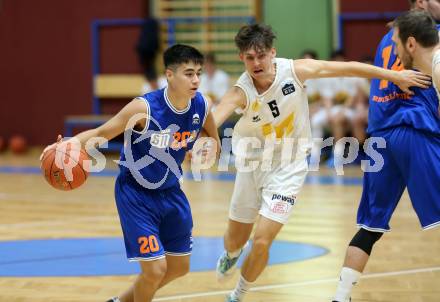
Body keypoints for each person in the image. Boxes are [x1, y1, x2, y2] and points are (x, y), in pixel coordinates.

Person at [211, 23, 430, 302]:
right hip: (253, 164)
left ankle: (238, 294)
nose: (257, 63)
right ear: (242, 58)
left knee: (263, 240)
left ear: (272, 53)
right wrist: (199, 139)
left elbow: (349, 67)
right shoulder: (239, 92)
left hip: (289, 166)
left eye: (262, 55)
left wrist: (393, 75)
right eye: (250, 57)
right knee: (234, 239)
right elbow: (216, 117)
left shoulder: (296, 70)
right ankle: (231, 254)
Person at [41, 44, 220, 302]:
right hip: (136, 195)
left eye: (198, 73)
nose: (195, 80)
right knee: (154, 270)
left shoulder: (201, 105)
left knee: (179, 268)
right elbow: (101, 133)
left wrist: (209, 146)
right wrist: (65, 146)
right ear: (169, 75)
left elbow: (212, 135)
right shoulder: (144, 108)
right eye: (188, 73)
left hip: (171, 192)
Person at [332, 5, 440, 302]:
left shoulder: (390, 37)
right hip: (414, 130)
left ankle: (341, 297)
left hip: (379, 136)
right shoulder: (431, 42)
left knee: (369, 227)